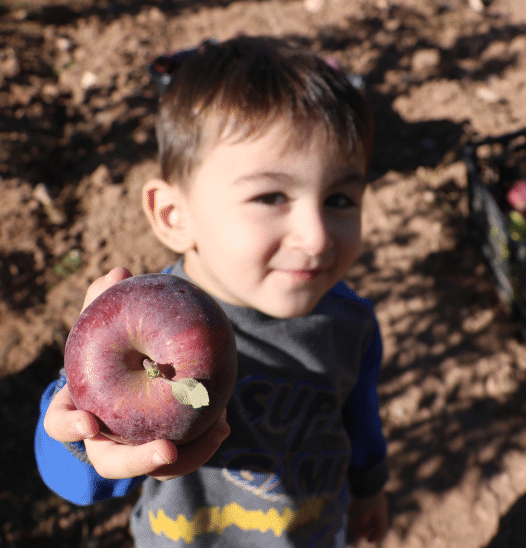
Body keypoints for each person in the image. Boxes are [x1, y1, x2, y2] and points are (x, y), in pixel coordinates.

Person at [34, 35, 389, 547]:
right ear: (173, 215)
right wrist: (86, 444)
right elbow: (73, 478)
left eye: (338, 198)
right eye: (270, 196)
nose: (315, 238)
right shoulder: (140, 342)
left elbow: (359, 419)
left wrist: (371, 488)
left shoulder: (349, 322)